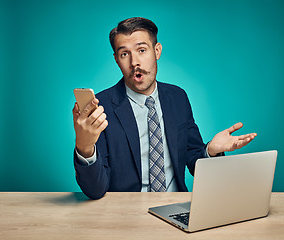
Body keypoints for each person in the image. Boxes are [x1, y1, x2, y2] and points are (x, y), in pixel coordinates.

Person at [72, 17, 257, 199]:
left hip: (176, 207)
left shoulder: (178, 97)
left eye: (142, 50)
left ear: (157, 51)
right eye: (124, 54)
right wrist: (85, 147)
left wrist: (210, 150)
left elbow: (193, 160)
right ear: (116, 60)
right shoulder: (101, 108)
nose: (134, 62)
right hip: (126, 216)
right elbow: (96, 190)